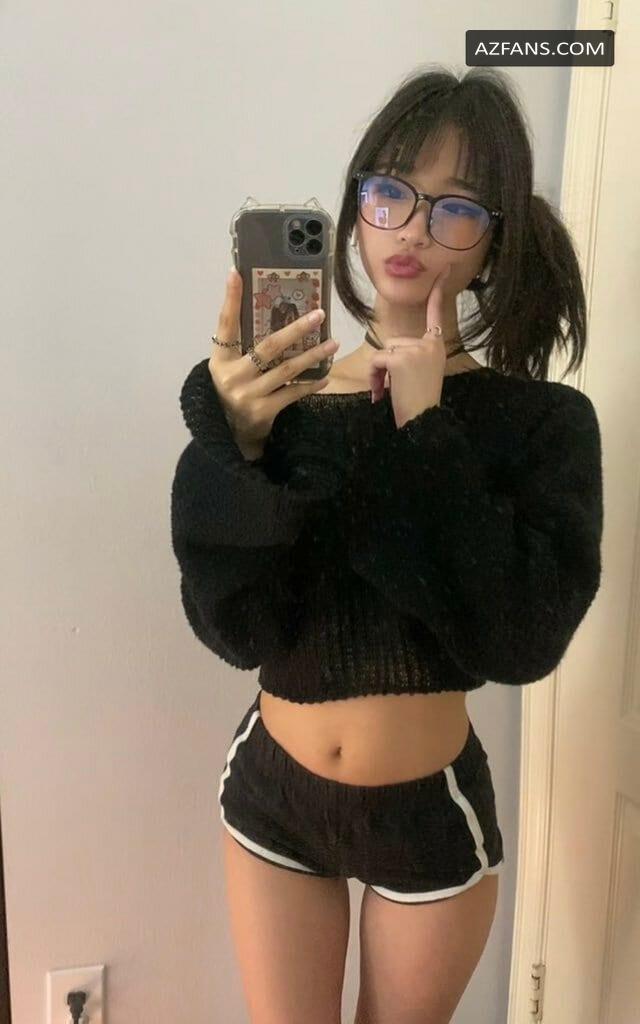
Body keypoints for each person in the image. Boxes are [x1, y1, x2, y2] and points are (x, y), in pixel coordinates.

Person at [171, 65, 603, 1024]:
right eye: (392, 191)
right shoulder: (283, 403)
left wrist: (427, 431)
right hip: (274, 792)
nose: (412, 228)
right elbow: (234, 627)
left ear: (494, 242)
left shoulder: (542, 424)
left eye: (457, 207)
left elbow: (522, 638)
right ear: (356, 208)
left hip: (427, 814)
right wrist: (237, 448)